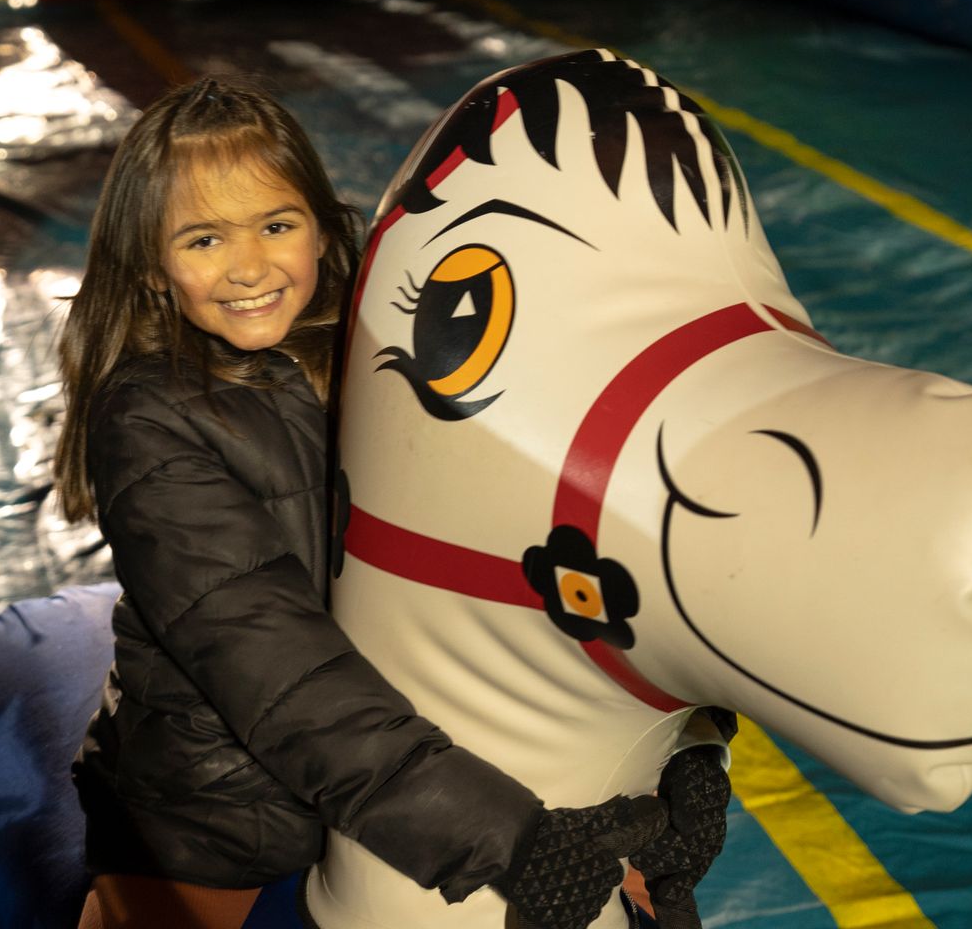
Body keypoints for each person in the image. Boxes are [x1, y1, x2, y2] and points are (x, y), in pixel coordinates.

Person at [54, 80, 725, 929]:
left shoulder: (383, 342)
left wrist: (687, 745)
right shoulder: (149, 423)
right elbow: (278, 673)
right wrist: (516, 844)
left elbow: (551, 534)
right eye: (204, 238)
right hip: (227, 819)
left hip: (402, 750)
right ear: (152, 266)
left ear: (322, 227)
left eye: (275, 225)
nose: (250, 266)